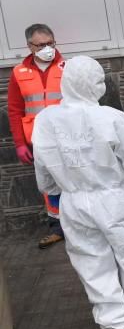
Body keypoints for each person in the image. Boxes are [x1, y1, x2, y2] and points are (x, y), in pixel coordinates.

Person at [31, 56, 124, 329]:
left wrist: (52, 193)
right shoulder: (112, 117)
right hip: (116, 199)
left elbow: (43, 163)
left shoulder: (46, 120)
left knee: (93, 263)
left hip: (75, 201)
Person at [7, 23, 67, 248]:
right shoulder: (18, 73)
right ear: (30, 46)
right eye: (41, 45)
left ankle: (82, 224)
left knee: (75, 180)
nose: (47, 48)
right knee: (49, 184)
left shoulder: (67, 67)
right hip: (39, 141)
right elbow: (14, 110)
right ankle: (57, 228)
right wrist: (20, 143)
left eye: (50, 43)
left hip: (67, 137)